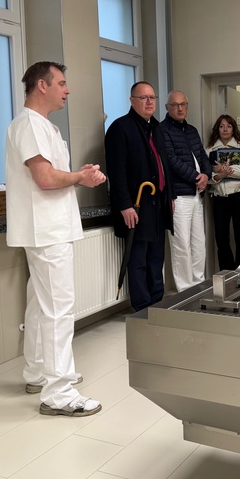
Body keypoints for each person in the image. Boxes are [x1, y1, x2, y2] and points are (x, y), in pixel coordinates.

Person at [5, 61, 106, 418]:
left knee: (40, 304)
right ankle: (59, 392)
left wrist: (80, 175)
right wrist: (80, 177)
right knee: (58, 310)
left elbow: (53, 175)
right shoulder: (29, 124)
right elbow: (45, 179)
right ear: (42, 86)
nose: (67, 90)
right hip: (46, 231)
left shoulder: (44, 126)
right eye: (61, 83)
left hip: (49, 228)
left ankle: (37, 372)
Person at [105, 81, 174, 312]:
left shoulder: (157, 128)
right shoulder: (120, 128)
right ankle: (143, 307)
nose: (149, 102)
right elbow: (116, 172)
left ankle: (157, 301)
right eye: (143, 98)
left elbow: (164, 166)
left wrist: (170, 197)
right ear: (132, 100)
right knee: (138, 258)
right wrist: (125, 206)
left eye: (152, 98)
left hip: (158, 203)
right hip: (136, 205)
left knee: (156, 256)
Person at [160, 90, 211, 291]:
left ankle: (199, 284)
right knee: (181, 245)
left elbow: (202, 156)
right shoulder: (163, 130)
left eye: (183, 104)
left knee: (199, 243)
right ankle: (185, 289)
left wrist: (206, 175)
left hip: (196, 194)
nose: (180, 108)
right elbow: (171, 161)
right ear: (167, 108)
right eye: (175, 105)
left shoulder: (191, 130)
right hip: (179, 196)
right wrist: (196, 177)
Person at [206, 114, 240, 271]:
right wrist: (219, 175)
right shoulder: (210, 150)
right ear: (217, 129)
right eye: (221, 126)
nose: (225, 129)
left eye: (229, 126)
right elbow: (207, 175)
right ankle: (226, 273)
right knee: (221, 237)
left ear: (233, 129)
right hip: (220, 198)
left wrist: (224, 170)